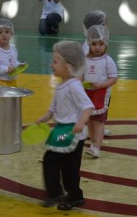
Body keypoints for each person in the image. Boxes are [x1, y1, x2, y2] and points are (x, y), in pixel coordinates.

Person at [36, 40, 94, 211]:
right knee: (68, 166)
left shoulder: (74, 86)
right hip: (62, 129)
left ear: (68, 66)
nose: (51, 64)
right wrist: (44, 118)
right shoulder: (61, 86)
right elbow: (53, 109)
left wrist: (81, 122)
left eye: (55, 61)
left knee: (53, 159)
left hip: (71, 131)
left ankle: (57, 193)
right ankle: (73, 195)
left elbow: (87, 106)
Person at [83, 25, 117, 158]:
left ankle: (96, 147)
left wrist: (101, 85)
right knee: (89, 120)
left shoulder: (108, 61)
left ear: (106, 43)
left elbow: (113, 78)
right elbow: (81, 75)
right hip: (87, 94)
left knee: (98, 121)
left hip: (101, 95)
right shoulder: (85, 60)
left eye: (101, 44)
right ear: (89, 44)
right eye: (94, 44)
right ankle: (93, 143)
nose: (97, 47)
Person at [82, 10, 112, 137]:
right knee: (91, 108)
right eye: (104, 24)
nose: (107, 27)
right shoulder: (88, 47)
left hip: (100, 85)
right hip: (93, 86)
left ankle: (98, 128)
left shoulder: (97, 45)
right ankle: (89, 129)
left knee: (100, 108)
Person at [0, 17, 21, 84]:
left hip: (13, 81)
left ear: (11, 33)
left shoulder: (14, 49)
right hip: (0, 82)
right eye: (0, 32)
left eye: (7, 32)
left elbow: (14, 62)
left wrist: (19, 65)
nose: (4, 35)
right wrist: (6, 69)